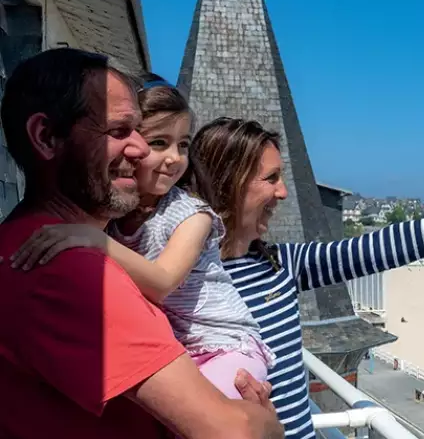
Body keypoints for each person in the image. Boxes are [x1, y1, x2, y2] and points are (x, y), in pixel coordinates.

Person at [189, 117, 424, 438]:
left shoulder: (280, 264)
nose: (284, 192)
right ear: (230, 182)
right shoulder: (183, 287)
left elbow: (381, 247)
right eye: (271, 178)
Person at [0, 48, 283, 439]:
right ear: (47, 137)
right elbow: (234, 433)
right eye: (118, 132)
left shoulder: (20, 241)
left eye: (139, 130)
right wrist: (268, 424)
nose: (140, 149)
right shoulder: (75, 273)